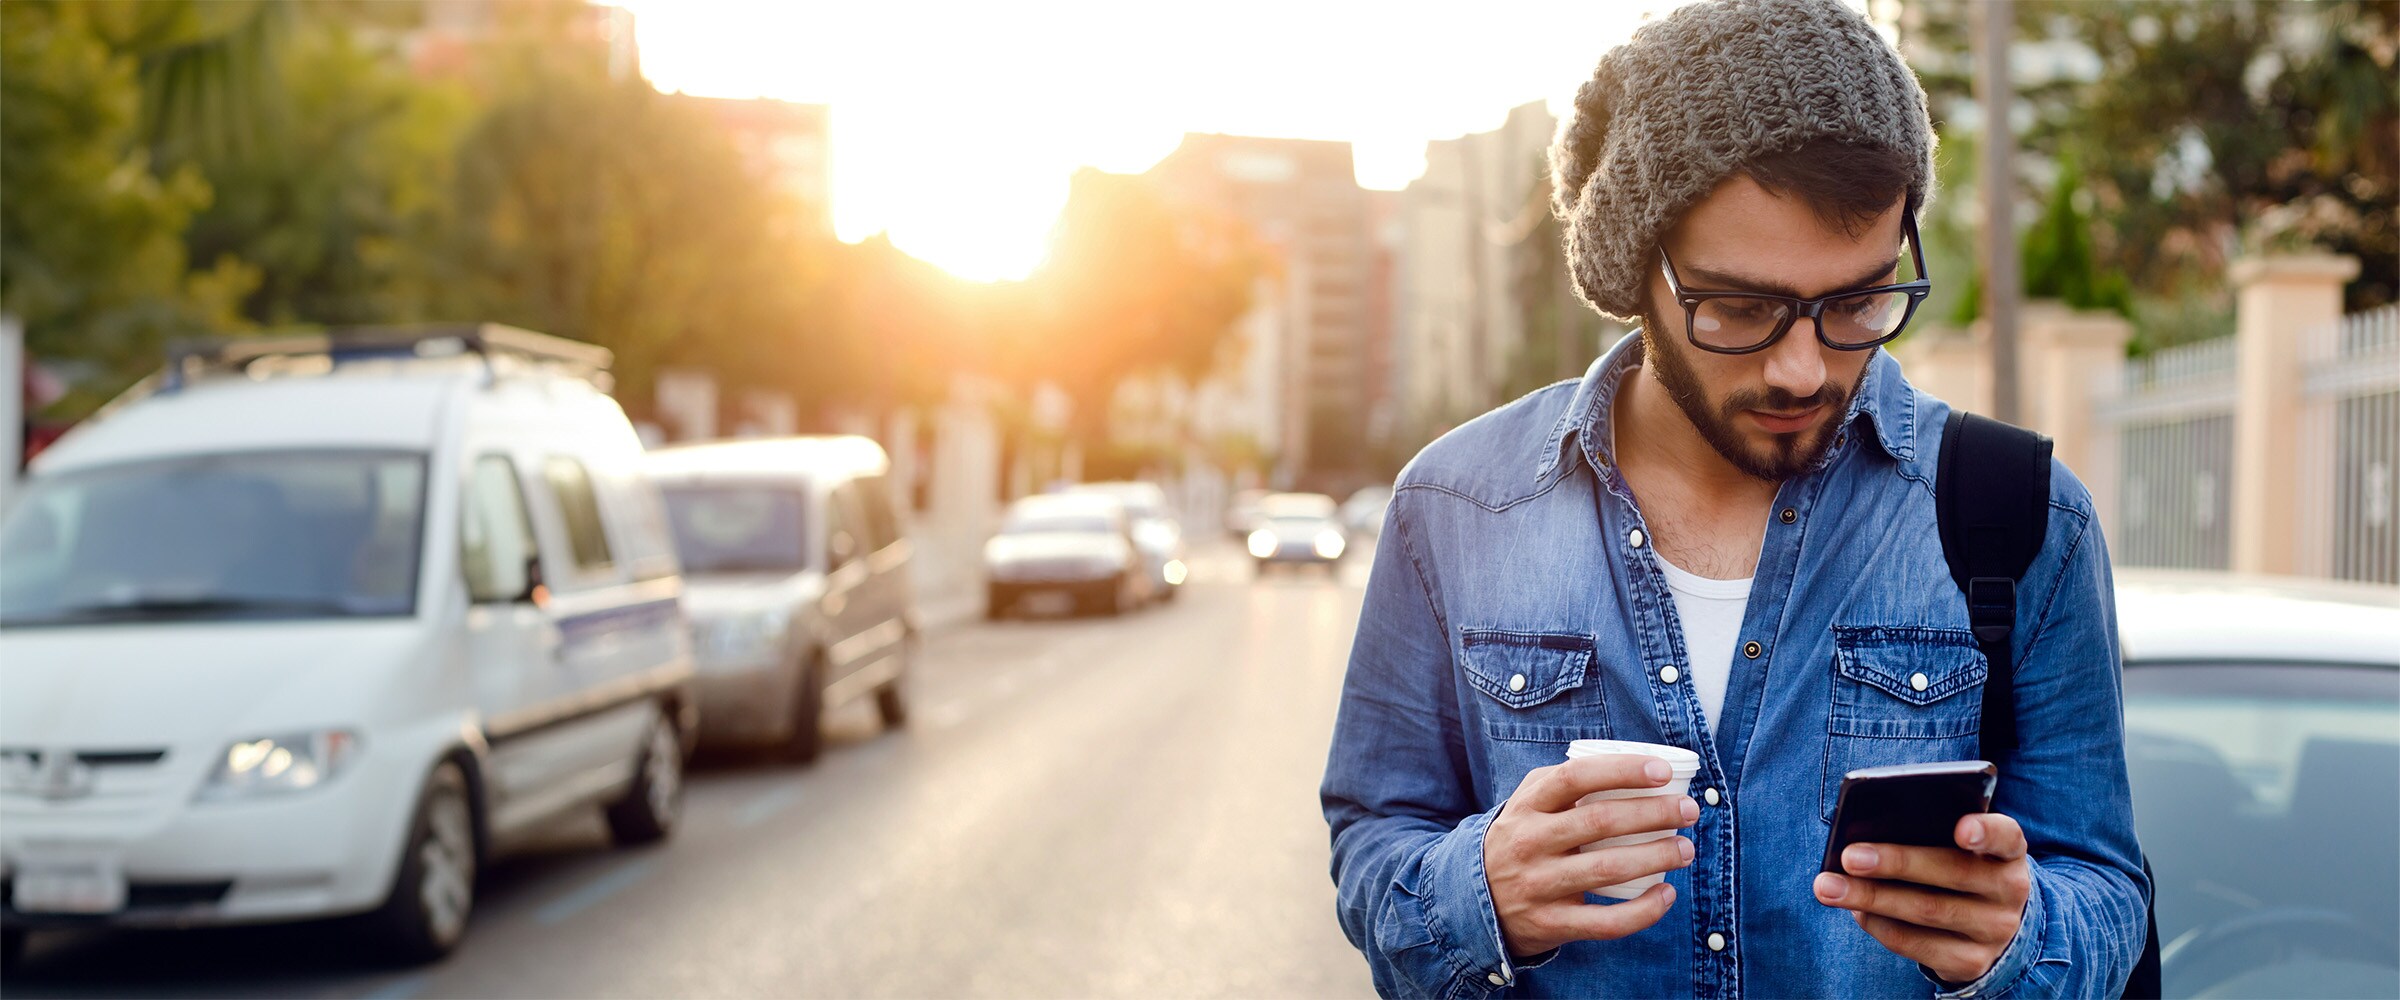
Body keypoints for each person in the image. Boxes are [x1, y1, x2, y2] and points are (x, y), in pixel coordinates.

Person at [1317, 1, 2149, 996]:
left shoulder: (2027, 517)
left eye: (1856, 302)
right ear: (1638, 268)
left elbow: (2105, 889)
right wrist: (1476, 893)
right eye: (1743, 309)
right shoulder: (1454, 509)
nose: (1803, 368)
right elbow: (1373, 841)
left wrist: (2023, 939)